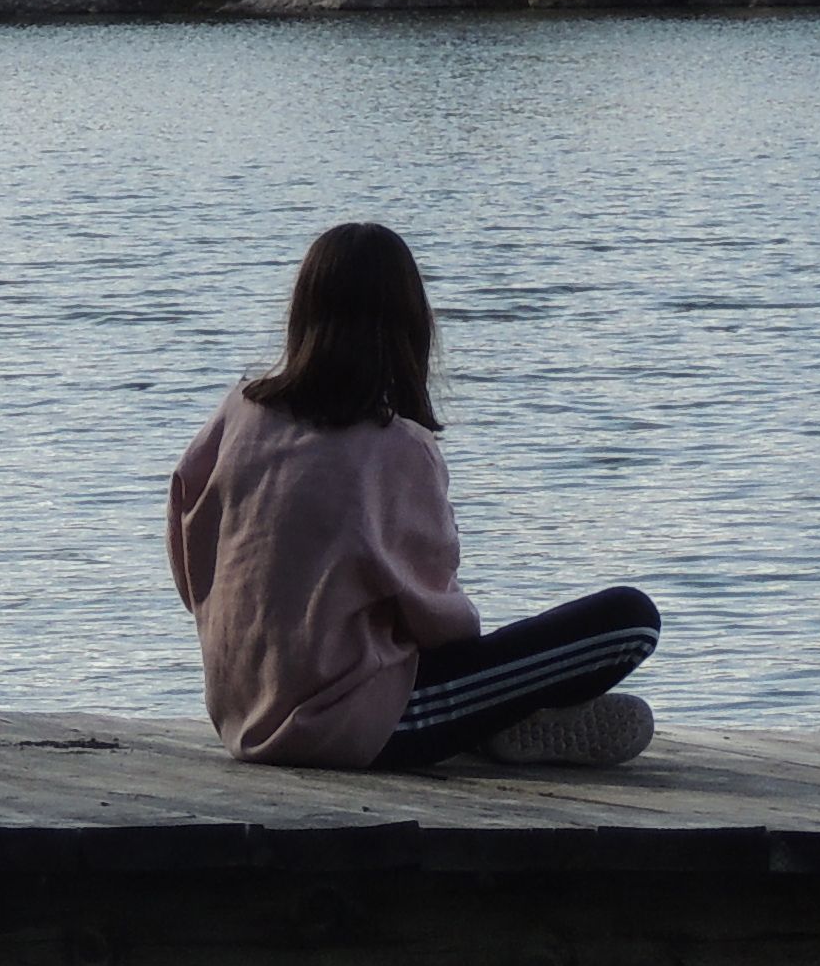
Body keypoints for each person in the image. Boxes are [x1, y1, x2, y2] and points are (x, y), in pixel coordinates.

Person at [166, 220, 659, 771]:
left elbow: (187, 554)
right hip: (356, 725)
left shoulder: (237, 412)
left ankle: (499, 719)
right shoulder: (396, 447)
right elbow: (441, 623)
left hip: (239, 707)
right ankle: (499, 718)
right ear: (410, 324)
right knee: (632, 619)